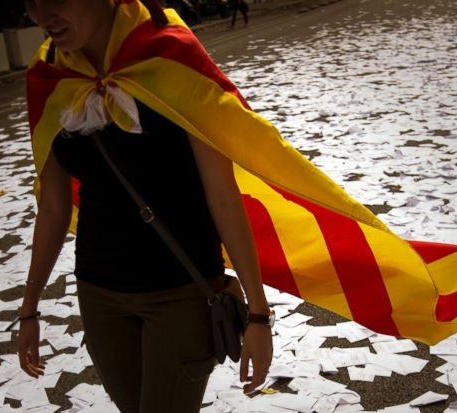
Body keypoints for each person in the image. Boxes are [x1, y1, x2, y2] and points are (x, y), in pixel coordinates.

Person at [16, 1, 274, 412]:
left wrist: (258, 315)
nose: (44, 16)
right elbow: (52, 206)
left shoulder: (171, 54)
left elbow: (222, 196)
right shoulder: (47, 76)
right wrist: (29, 310)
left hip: (181, 291)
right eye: (32, 2)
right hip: (99, 295)